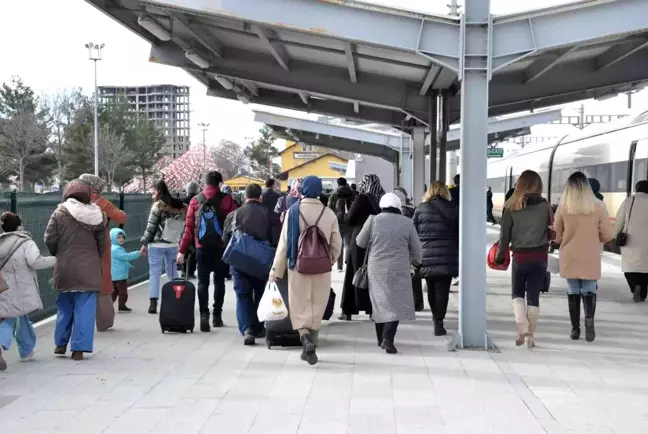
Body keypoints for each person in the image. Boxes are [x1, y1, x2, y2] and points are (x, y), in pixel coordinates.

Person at [269, 176, 342, 365]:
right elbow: (337, 243)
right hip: (322, 267)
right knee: (317, 303)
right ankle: (312, 343)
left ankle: (305, 339)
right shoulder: (329, 213)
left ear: (303, 189)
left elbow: (284, 244)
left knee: (299, 304)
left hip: (298, 266)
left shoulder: (293, 211)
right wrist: (330, 260)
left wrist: (276, 270)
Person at [45, 180, 107, 361]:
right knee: (85, 309)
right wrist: (96, 258)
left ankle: (60, 343)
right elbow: (103, 243)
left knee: (64, 307)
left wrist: (57, 252)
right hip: (89, 268)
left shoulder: (59, 212)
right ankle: (78, 350)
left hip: (65, 267)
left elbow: (49, 237)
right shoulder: (98, 215)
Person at [356, 192, 422, 354]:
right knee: (396, 304)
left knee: (380, 303)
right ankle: (388, 338)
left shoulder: (373, 220)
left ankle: (381, 339)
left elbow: (360, 242)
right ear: (398, 206)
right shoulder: (407, 223)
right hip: (399, 268)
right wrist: (417, 262)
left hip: (376, 268)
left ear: (382, 206)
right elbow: (417, 249)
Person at [554, 171, 614, 342]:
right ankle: (589, 322)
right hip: (590, 254)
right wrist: (596, 239)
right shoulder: (598, 205)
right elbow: (607, 234)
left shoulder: (564, 206)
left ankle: (575, 329)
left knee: (573, 290)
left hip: (570, 254)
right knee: (589, 289)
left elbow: (557, 236)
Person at [495, 170, 552, 348]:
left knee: (517, 293)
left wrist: (499, 255)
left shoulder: (511, 206)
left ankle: (523, 327)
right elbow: (551, 230)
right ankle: (529, 337)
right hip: (540, 256)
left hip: (520, 256)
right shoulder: (545, 205)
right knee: (533, 295)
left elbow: (504, 236)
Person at [178, 171, 237, 331]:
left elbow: (189, 228)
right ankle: (217, 316)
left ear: (205, 183)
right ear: (219, 183)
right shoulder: (227, 200)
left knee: (203, 282)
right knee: (219, 281)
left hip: (201, 247)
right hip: (221, 247)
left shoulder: (195, 201)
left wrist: (182, 250)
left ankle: (204, 315)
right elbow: (234, 225)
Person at [223, 183, 280, 345]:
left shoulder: (233, 215)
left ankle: (247, 329)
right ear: (260, 197)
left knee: (242, 295)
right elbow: (276, 241)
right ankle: (259, 327)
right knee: (261, 294)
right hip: (261, 262)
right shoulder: (269, 215)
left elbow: (225, 240)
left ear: (245, 196)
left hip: (239, 261)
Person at [0, 213, 56, 370]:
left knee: (20, 317)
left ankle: (26, 350)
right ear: (20, 225)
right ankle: (1, 346)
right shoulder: (25, 242)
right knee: (9, 319)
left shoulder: (1, 242)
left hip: (3, 288)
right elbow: (35, 261)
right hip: (20, 289)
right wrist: (55, 260)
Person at [79, 173, 127, 332]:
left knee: (81, 286)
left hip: (79, 249)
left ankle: (81, 322)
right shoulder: (102, 203)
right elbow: (122, 217)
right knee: (103, 285)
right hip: (100, 249)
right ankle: (104, 322)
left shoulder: (72, 203)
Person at [413, 181, 459, 336]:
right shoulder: (454, 208)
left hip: (426, 255)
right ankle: (438, 320)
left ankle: (436, 317)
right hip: (447, 255)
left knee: (431, 288)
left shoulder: (421, 208)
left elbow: (414, 233)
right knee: (443, 289)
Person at [340, 174, 385, 321]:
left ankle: (348, 309)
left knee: (355, 271)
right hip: (377, 237)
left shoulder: (362, 198)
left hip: (360, 237)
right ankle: (373, 309)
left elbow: (350, 219)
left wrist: (346, 214)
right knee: (374, 273)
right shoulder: (382, 197)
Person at [140, 179, 187, 315]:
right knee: (172, 272)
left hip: (156, 244)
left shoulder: (158, 206)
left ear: (158, 191)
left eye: (152, 192)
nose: (152, 195)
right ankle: (178, 299)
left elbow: (151, 227)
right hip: (173, 243)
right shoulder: (180, 206)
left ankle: (153, 303)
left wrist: (144, 243)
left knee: (155, 273)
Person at [614, 180, 648, 303]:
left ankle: (634, 287)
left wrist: (615, 234)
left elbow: (619, 220)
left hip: (630, 239)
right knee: (645, 268)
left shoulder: (629, 201)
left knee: (629, 267)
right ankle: (643, 293)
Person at [110, 228, 141, 313]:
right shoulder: (117, 249)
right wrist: (138, 253)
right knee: (123, 292)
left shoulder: (112, 247)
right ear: (113, 238)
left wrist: (129, 265)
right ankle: (122, 306)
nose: (121, 239)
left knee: (114, 292)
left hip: (114, 275)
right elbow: (126, 257)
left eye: (122, 237)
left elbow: (120, 260)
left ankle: (107, 306)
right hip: (120, 276)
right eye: (118, 237)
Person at [328, 177, 355, 272]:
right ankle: (348, 262)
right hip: (350, 221)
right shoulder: (352, 193)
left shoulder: (334, 194)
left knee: (339, 243)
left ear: (338, 184)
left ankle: (339, 266)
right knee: (348, 243)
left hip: (337, 221)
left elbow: (329, 208)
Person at [181, 181, 200, 279]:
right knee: (194, 251)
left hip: (184, 228)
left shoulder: (183, 201)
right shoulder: (198, 200)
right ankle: (191, 271)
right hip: (196, 229)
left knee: (185, 249)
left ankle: (184, 270)